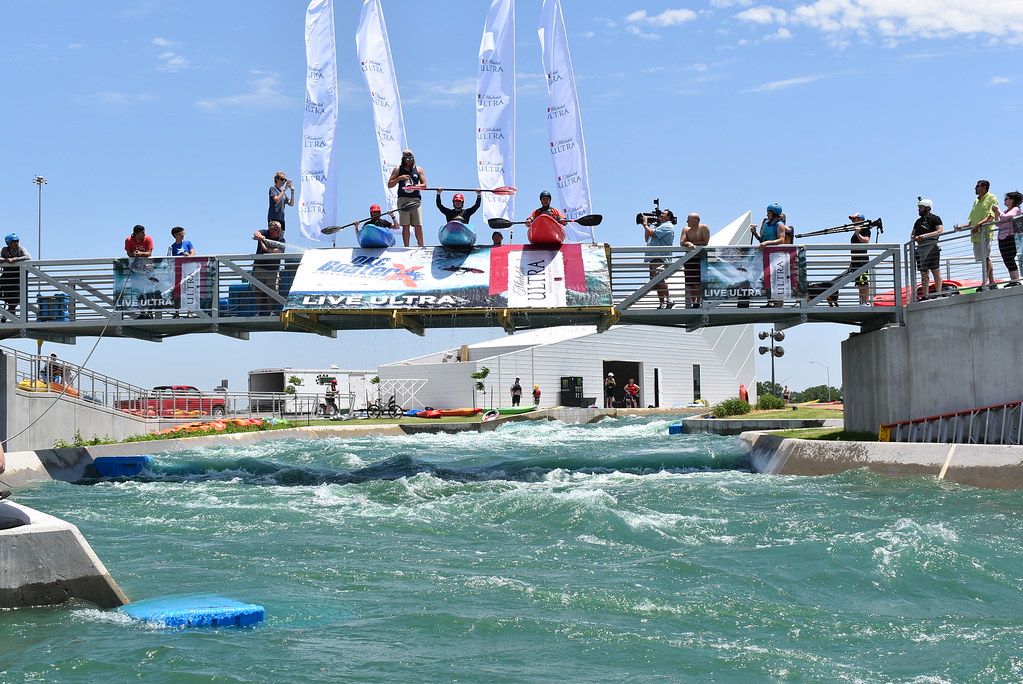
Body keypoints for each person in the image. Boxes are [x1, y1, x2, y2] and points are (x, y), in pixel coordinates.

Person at [954, 180, 1000, 289]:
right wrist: (962, 227)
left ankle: (985, 282)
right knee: (984, 259)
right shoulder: (976, 201)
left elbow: (990, 217)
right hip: (976, 236)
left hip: (985, 233)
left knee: (986, 258)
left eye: (977, 186)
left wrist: (978, 225)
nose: (975, 188)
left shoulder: (991, 198)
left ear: (984, 187)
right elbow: (972, 221)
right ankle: (992, 283)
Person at [749, 203, 789, 306]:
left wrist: (767, 243)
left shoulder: (779, 225)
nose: (767, 214)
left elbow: (781, 239)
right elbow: (761, 238)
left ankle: (778, 303)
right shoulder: (766, 224)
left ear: (775, 214)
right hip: (764, 256)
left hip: (775, 256)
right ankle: (770, 302)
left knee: (774, 278)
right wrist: (754, 233)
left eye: (769, 213)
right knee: (765, 279)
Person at [388, 150, 426, 247]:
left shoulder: (418, 169)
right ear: (403, 159)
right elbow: (390, 184)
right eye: (407, 158)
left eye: (411, 158)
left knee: (418, 225)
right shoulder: (398, 169)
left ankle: (421, 246)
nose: (410, 160)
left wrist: (414, 187)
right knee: (406, 225)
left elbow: (424, 185)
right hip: (403, 199)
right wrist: (399, 178)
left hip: (415, 199)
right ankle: (406, 247)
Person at [643, 209, 676, 309]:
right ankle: (662, 303)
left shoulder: (668, 226)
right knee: (656, 283)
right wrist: (647, 225)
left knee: (659, 277)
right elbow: (646, 238)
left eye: (663, 214)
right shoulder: (659, 226)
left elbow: (653, 234)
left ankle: (669, 299)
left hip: (661, 258)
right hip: (654, 257)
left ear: (668, 217)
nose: (660, 215)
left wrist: (645, 225)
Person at [912, 199, 944, 299]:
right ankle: (925, 295)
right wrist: (916, 237)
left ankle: (938, 293)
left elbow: (939, 231)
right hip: (921, 249)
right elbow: (912, 234)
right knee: (924, 272)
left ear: (928, 208)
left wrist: (924, 236)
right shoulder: (918, 221)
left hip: (932, 247)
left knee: (935, 270)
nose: (919, 210)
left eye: (921, 208)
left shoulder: (936, 218)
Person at [252, 221, 285, 315]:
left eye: (279, 229)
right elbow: (256, 233)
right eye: (277, 230)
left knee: (272, 291)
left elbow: (271, 251)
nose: (279, 232)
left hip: (273, 270)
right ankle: (259, 312)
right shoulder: (265, 233)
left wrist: (262, 243)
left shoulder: (281, 240)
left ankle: (271, 312)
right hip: (259, 268)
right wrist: (261, 237)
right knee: (258, 290)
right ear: (271, 230)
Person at [125, 224, 156, 318]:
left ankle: (150, 312)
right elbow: (128, 253)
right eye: (142, 232)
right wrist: (134, 254)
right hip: (136, 269)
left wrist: (140, 253)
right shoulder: (129, 240)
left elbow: (149, 253)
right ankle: (142, 312)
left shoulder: (148, 239)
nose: (144, 234)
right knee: (139, 291)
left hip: (148, 268)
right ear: (136, 233)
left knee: (149, 290)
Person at [680, 212, 710, 308]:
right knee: (691, 282)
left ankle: (699, 300)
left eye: (688, 219)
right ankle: (694, 302)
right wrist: (688, 243)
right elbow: (682, 242)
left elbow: (705, 242)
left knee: (698, 282)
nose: (687, 221)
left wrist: (691, 243)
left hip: (700, 258)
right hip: (689, 258)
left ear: (695, 221)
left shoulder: (704, 228)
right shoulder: (686, 229)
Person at [995, 190, 1023, 285]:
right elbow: (998, 224)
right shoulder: (1006, 211)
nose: (1004, 200)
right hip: (1003, 237)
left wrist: (998, 210)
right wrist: (995, 212)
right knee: (1007, 259)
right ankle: (1013, 280)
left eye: (1006, 198)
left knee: (1010, 258)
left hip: (1010, 237)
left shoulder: (1016, 209)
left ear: (1012, 200)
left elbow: (1005, 217)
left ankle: (1015, 280)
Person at [0, 233, 30, 315]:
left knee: (16, 296)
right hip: (7, 276)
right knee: (6, 294)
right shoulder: (4, 250)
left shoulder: (21, 249)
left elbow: (27, 257)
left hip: (18, 276)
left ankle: (11, 314)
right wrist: (6, 259)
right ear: (9, 243)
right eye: (14, 242)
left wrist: (14, 259)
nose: (17, 243)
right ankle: (10, 313)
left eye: (17, 241)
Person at [847, 212, 872, 306]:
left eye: (855, 219)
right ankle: (862, 302)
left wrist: (858, 233)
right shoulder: (856, 232)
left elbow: (866, 241)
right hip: (855, 260)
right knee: (859, 283)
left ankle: (866, 302)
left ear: (861, 220)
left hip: (862, 260)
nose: (853, 221)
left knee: (863, 281)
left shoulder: (865, 229)